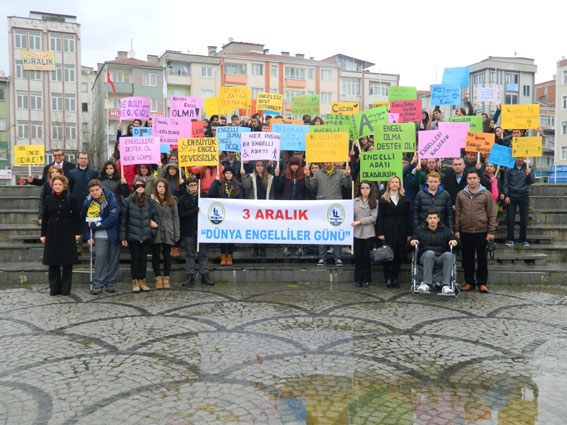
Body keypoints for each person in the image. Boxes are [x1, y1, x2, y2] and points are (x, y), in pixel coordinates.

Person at [455, 171, 496, 293]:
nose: (472, 180)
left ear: (478, 179)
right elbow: (457, 213)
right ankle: (469, 282)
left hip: (482, 230)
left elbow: (491, 213)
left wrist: (491, 231)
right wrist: (457, 229)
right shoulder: (461, 194)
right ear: (466, 180)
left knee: (482, 258)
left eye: (474, 178)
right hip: (465, 230)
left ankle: (482, 282)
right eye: (469, 178)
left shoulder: (486, 194)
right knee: (467, 258)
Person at [40, 175, 81, 296]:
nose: (57, 186)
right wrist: (43, 234)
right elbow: (45, 217)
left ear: (64, 185)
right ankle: (54, 288)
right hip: (52, 232)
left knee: (67, 262)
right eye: (55, 184)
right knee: (53, 262)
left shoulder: (71, 198)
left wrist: (77, 233)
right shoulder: (48, 199)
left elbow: (76, 217)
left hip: (67, 232)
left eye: (59, 184)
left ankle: (65, 289)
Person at [305, 161, 352, 266]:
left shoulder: (340, 173)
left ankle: (338, 258)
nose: (328, 163)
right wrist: (308, 176)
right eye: (326, 161)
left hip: (336, 206)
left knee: (336, 232)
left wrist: (348, 176)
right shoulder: (318, 173)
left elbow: (348, 185)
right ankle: (322, 258)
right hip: (322, 206)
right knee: (322, 232)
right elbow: (311, 186)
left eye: (330, 161)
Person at [81, 179, 121, 295]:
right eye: (92, 191)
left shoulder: (110, 197)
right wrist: (88, 236)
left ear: (101, 189)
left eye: (97, 190)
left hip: (113, 232)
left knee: (113, 259)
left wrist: (97, 225)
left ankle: (109, 282)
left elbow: (114, 216)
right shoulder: (87, 202)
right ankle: (98, 283)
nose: (95, 192)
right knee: (100, 257)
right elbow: (84, 220)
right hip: (99, 236)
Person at [120, 177, 159, 293]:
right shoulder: (128, 201)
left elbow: (155, 217)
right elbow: (123, 220)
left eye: (142, 185)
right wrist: (123, 237)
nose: (140, 188)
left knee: (143, 259)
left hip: (146, 235)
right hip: (133, 235)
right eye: (138, 186)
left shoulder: (149, 201)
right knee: (135, 259)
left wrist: (152, 232)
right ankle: (135, 280)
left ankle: (143, 280)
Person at [410, 209, 459, 294]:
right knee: (430, 253)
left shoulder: (445, 230)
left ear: (438, 219)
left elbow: (456, 241)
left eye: (434, 218)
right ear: (427, 219)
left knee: (449, 255)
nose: (432, 220)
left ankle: (446, 285)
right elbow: (410, 242)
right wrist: (412, 241)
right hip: (425, 257)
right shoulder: (420, 230)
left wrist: (454, 241)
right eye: (430, 218)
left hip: (440, 256)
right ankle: (426, 283)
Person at [376, 175, 412, 288]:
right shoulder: (383, 199)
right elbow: (380, 217)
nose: (395, 184)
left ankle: (395, 277)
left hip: (401, 229)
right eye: (393, 182)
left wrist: (409, 233)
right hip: (388, 229)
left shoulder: (405, 199)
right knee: (387, 254)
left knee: (398, 254)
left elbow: (408, 217)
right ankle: (387, 278)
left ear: (400, 184)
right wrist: (380, 232)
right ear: (389, 184)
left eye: (397, 182)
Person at [178, 176, 214, 286]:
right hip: (188, 230)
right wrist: (195, 211)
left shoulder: (203, 197)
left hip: (201, 229)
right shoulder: (182, 199)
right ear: (187, 187)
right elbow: (182, 215)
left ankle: (204, 275)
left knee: (203, 254)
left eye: (195, 185)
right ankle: (190, 275)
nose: (194, 187)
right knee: (190, 254)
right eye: (191, 185)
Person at [241, 160, 275, 258]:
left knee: (263, 228)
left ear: (264, 167)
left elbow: (271, 193)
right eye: (257, 165)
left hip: (265, 206)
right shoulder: (251, 177)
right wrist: (243, 175)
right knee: (255, 228)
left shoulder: (270, 178)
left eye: (261, 166)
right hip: (254, 207)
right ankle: (255, 248)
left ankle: (263, 248)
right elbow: (246, 186)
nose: (259, 167)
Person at [150, 178, 180, 289]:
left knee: (167, 255)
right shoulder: (151, 200)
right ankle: (158, 277)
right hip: (156, 231)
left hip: (168, 230)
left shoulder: (172, 200)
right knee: (156, 255)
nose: (162, 189)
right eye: (159, 186)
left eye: (163, 187)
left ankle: (166, 277)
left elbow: (175, 218)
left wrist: (177, 234)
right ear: (156, 188)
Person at [209, 167, 241, 265]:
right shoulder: (219, 184)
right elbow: (210, 194)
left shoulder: (237, 185)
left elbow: (240, 199)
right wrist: (215, 181)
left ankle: (230, 255)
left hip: (232, 214)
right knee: (223, 235)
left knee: (231, 235)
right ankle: (223, 255)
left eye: (230, 173)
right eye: (226, 173)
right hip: (222, 213)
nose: (228, 175)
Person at [503, 157, 535, 247]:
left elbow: (531, 181)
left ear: (524, 158)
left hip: (524, 195)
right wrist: (506, 195)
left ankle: (523, 239)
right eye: (518, 157)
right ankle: (510, 238)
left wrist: (529, 174)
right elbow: (506, 183)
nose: (520, 159)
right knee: (510, 218)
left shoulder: (528, 168)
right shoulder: (509, 168)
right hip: (512, 195)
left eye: (521, 157)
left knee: (524, 218)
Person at [352, 181, 378, 287]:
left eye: (367, 188)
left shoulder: (375, 201)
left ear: (370, 189)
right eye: (363, 188)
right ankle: (358, 279)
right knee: (358, 257)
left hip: (369, 232)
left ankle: (366, 279)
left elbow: (373, 217)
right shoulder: (355, 201)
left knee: (366, 257)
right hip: (357, 233)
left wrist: (360, 221)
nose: (365, 190)